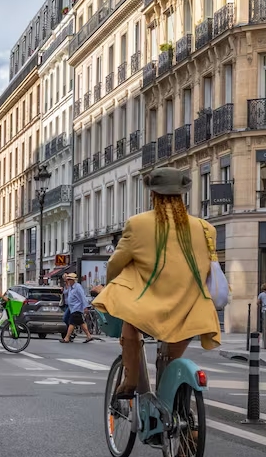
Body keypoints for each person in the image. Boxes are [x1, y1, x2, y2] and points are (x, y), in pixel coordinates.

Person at [92, 167, 222, 397]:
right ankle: (178, 411)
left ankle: (131, 381)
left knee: (130, 327)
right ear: (182, 194)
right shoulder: (206, 229)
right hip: (190, 309)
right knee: (172, 363)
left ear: (153, 194)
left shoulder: (138, 224)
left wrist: (113, 287)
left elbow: (116, 264)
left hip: (148, 307)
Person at [61, 273, 95, 343]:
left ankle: (67, 338)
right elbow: (65, 292)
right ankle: (89, 336)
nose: (68, 281)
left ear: (73, 280)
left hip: (77, 308)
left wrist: (85, 307)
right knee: (81, 323)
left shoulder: (78, 287)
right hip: (72, 308)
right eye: (68, 280)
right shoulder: (70, 287)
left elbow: (83, 297)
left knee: (72, 323)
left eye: (69, 280)